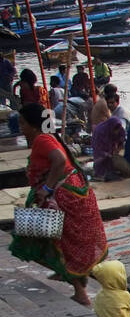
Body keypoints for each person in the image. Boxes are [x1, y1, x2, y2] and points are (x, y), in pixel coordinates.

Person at [9, 103, 107, 306]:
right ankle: (67, 273)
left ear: (34, 125)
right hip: (70, 195)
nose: (21, 127)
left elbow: (59, 160)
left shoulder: (43, 140)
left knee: (62, 244)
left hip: (61, 199)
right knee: (57, 242)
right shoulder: (48, 138)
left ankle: (80, 292)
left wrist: (47, 189)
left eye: (23, 123)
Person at [91, 116, 130, 180]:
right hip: (100, 146)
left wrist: (117, 149)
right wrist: (106, 154)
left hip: (110, 145)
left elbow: (122, 140)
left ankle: (110, 170)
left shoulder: (120, 129)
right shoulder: (100, 131)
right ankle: (99, 173)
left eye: (117, 130)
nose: (116, 132)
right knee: (102, 159)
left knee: (111, 160)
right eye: (115, 130)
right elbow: (97, 147)